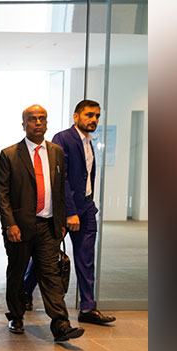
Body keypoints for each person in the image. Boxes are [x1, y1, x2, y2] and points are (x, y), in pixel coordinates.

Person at [0, 105, 85, 342]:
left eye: (42, 119)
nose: (37, 123)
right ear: (23, 124)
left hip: (48, 226)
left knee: (50, 275)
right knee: (16, 273)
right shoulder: (9, 154)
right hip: (19, 227)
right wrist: (10, 224)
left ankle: (61, 324)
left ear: (46, 123)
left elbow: (60, 189)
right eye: (32, 119)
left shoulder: (56, 152)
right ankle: (16, 315)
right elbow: (2, 194)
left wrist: (61, 220)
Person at [54, 100, 116, 325]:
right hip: (67, 210)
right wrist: (70, 212)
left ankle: (88, 308)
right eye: (89, 115)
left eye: (97, 116)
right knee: (47, 256)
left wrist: (88, 205)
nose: (94, 120)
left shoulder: (90, 141)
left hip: (87, 207)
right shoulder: (63, 139)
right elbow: (61, 178)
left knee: (86, 259)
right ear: (76, 116)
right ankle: (25, 293)